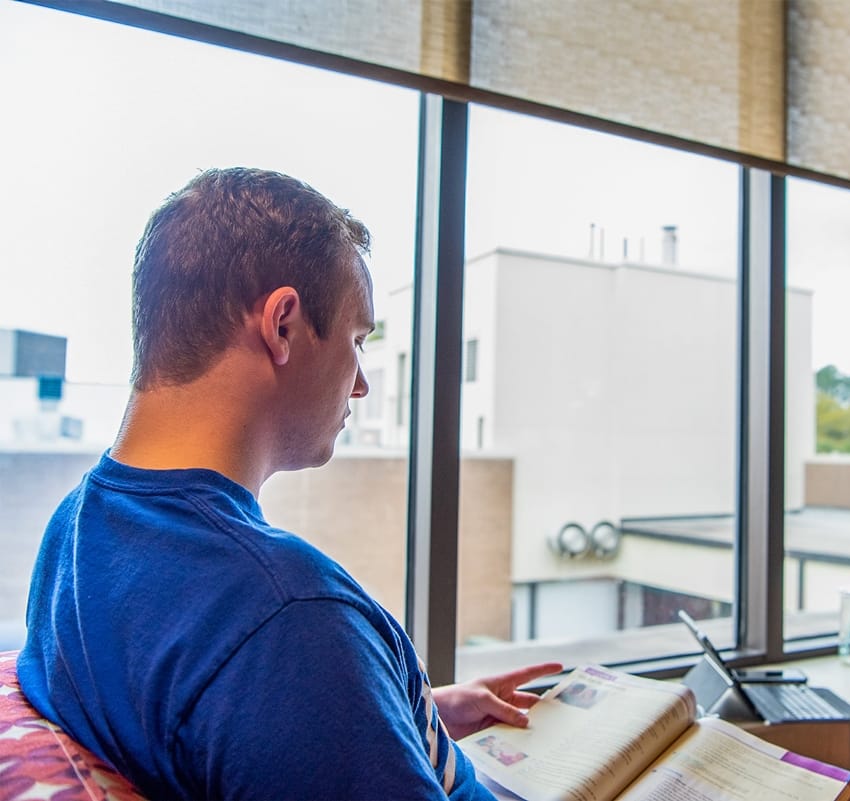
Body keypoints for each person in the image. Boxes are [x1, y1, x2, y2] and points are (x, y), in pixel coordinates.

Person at [16, 167, 561, 800]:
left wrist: (400, 712)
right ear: (282, 326)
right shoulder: (287, 620)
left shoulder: (79, 524)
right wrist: (330, 685)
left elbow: (216, 716)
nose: (361, 382)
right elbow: (268, 672)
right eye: (359, 340)